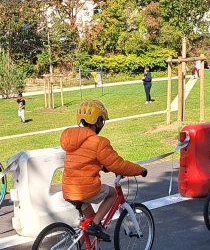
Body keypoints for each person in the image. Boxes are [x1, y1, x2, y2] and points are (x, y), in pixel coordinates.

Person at [60, 99, 148, 242]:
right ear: (98, 121)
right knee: (112, 194)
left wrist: (103, 166)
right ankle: (95, 226)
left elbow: (85, 159)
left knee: (88, 221)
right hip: (85, 189)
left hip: (69, 189)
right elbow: (118, 165)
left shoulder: (72, 140)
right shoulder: (99, 142)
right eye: (102, 120)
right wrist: (139, 170)